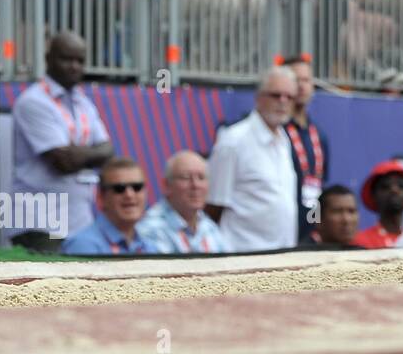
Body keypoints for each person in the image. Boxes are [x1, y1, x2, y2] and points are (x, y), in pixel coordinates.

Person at [10, 32, 115, 251]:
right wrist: (92, 154)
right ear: (48, 59)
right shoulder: (33, 101)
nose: (74, 66)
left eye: (80, 61)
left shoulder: (82, 102)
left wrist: (80, 154)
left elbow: (108, 151)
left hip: (79, 220)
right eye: (66, 59)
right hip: (39, 223)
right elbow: (63, 162)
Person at [204, 66, 300, 252]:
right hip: (242, 257)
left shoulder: (284, 139)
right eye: (276, 95)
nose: (283, 102)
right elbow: (214, 206)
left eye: (289, 97)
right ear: (259, 98)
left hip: (283, 257)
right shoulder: (233, 140)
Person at [136, 151, 229, 254]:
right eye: (186, 177)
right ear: (167, 185)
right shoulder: (151, 228)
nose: (195, 185)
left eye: (201, 178)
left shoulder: (209, 226)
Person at [60, 159, 157, 255]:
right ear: (101, 197)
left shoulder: (149, 247)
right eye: (119, 188)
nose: (129, 194)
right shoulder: (83, 245)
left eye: (137, 187)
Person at [283, 54, 331, 245]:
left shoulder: (319, 135)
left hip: (309, 226)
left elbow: (319, 185)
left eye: (306, 80)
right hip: (280, 228)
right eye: (295, 80)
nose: (302, 86)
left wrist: (316, 227)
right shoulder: (277, 131)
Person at [353, 160, 403, 248]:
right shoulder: (359, 242)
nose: (394, 190)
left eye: (401, 185)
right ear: (373, 195)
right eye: (385, 186)